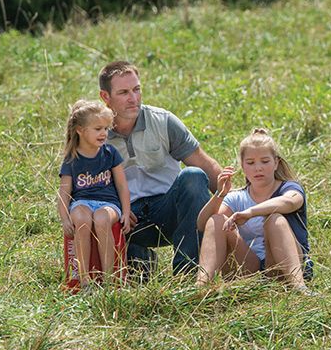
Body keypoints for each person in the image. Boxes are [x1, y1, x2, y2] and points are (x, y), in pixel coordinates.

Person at [98, 61, 223, 275]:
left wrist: (238, 206)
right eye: (124, 92)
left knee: (193, 176)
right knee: (136, 274)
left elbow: (204, 164)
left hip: (169, 209)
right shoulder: (95, 133)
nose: (133, 98)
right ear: (105, 97)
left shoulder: (163, 121)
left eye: (137, 89)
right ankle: (141, 260)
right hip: (125, 219)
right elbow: (82, 186)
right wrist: (116, 208)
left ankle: (187, 273)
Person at [196, 128, 313, 293]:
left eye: (265, 161)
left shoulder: (289, 188)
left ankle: (299, 287)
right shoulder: (237, 197)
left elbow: (290, 201)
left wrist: (250, 213)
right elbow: (203, 225)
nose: (258, 168)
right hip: (247, 269)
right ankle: (200, 288)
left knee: (274, 220)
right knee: (217, 220)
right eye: (250, 163)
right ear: (243, 166)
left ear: (276, 163)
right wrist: (220, 194)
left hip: (282, 268)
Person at [57, 100, 131, 288]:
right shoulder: (72, 158)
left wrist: (126, 212)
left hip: (108, 203)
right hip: (81, 202)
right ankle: (84, 280)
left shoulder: (110, 153)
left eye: (106, 128)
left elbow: (122, 185)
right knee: (81, 219)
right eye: (98, 129)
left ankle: (108, 279)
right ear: (80, 131)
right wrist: (64, 219)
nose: (104, 133)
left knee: (101, 218)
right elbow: (64, 193)